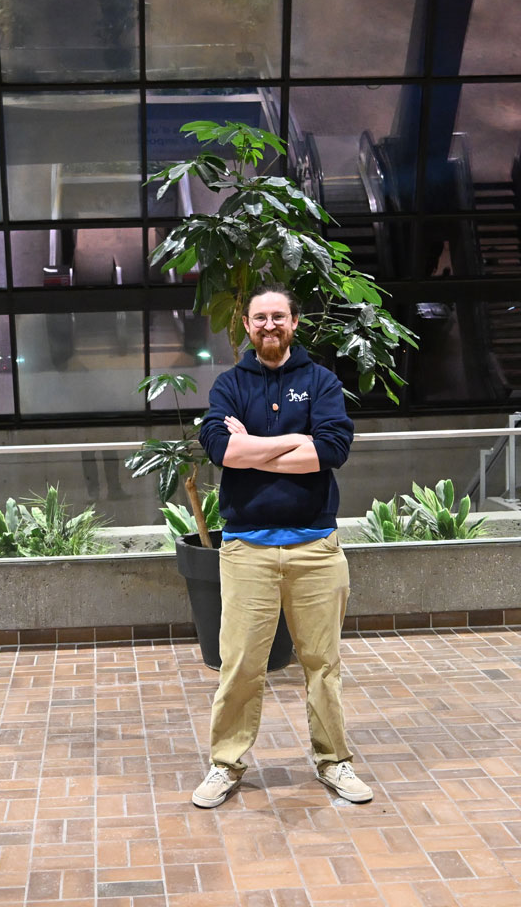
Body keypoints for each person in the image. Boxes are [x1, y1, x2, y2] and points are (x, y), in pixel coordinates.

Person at [190, 283, 371, 808]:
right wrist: (295, 442)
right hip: (248, 549)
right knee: (241, 664)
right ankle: (225, 764)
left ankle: (335, 762)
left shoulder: (321, 381)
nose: (269, 325)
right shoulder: (229, 384)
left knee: (323, 663)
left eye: (279, 317)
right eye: (259, 318)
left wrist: (255, 449)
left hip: (316, 548)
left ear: (294, 323)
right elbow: (221, 448)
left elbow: (333, 448)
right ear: (247, 326)